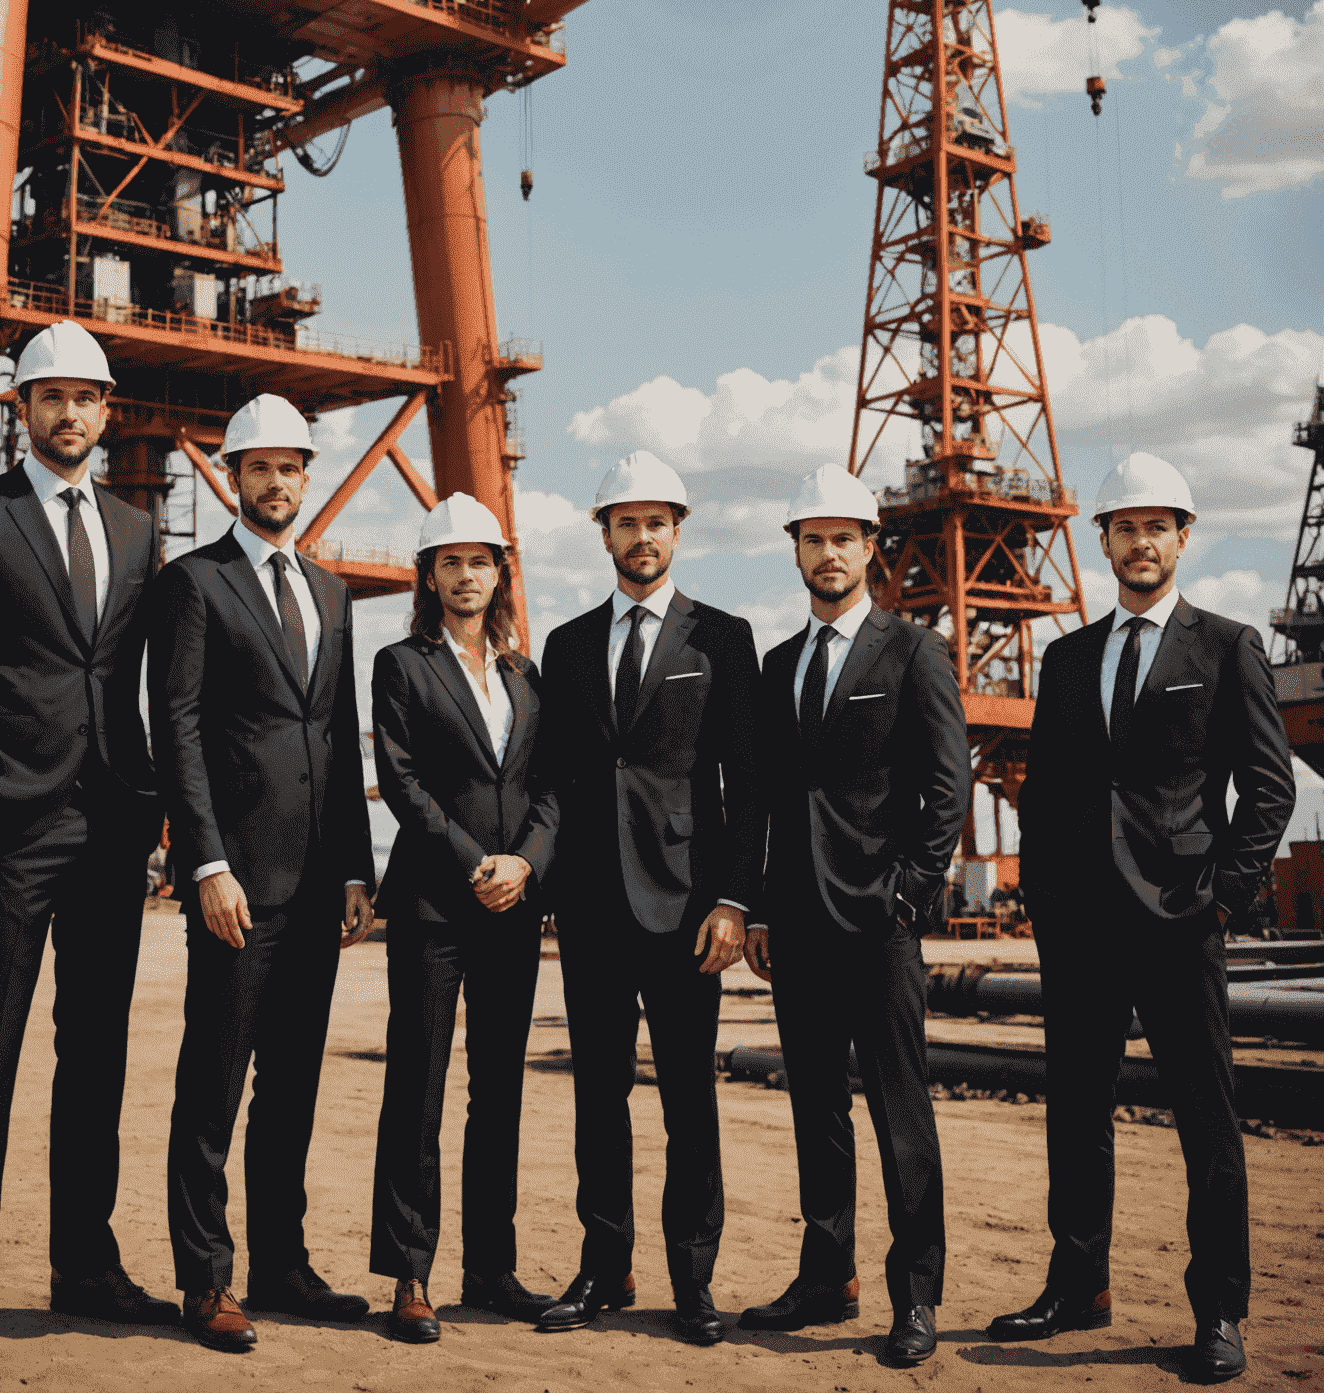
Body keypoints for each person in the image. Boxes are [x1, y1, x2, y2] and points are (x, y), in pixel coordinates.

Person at [988, 452, 1295, 1384]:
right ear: (1105, 540)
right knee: (1076, 1113)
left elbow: (1270, 790)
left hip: (1177, 923)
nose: (1141, 541)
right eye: (1124, 527)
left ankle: (1221, 1312)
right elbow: (1043, 798)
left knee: (1207, 1120)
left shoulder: (1225, 645)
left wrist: (1223, 897)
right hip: (1080, 930)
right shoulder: (1069, 657)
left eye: (1157, 525)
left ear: (1183, 537)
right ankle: (1077, 1285)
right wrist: (1043, 901)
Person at [0, 320, 173, 1367]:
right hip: (16, 817)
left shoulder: (139, 532)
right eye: (50, 397)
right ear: (21, 409)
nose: (71, 414)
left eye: (87, 399)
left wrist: (160, 808)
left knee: (93, 1053)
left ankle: (85, 1266)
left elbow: (154, 677)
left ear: (108, 414)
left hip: (113, 821)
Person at [150, 394, 376, 1353]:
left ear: (305, 476)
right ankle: (208, 1282)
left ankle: (281, 1263)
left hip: (320, 881)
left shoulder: (329, 593)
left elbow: (337, 730)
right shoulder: (194, 583)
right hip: (237, 879)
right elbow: (181, 727)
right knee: (215, 1079)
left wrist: (359, 868)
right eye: (259, 467)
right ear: (232, 478)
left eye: (292, 466)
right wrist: (204, 860)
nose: (277, 482)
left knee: (292, 1085)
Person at [740, 465, 970, 1368]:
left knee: (900, 1112)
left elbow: (948, 787)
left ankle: (916, 1295)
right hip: (795, 926)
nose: (828, 553)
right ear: (794, 549)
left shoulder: (912, 653)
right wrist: (759, 906)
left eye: (845, 538)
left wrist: (909, 894)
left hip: (879, 923)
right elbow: (759, 797)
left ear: (871, 547)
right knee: (816, 1112)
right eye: (813, 538)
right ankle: (827, 1277)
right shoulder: (778, 665)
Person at [535, 450, 763, 1346]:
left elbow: (747, 788)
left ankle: (693, 1281)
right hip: (591, 910)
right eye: (624, 522)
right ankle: (603, 1268)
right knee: (599, 1097)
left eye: (656, 522)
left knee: (687, 1103)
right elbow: (553, 779)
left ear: (679, 530)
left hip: (687, 912)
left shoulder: (721, 640)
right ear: (604, 534)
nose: (641, 537)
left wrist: (736, 901)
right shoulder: (568, 645)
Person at [367, 493, 561, 1343]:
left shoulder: (527, 675)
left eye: (480, 560)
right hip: (433, 905)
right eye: (450, 561)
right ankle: (411, 1275)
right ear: (430, 575)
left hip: (514, 906)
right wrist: (472, 860)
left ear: (498, 573)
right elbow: (402, 780)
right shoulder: (401, 665)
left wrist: (524, 863)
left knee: (499, 1092)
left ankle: (490, 1267)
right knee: (418, 1086)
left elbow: (555, 786)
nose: (467, 574)